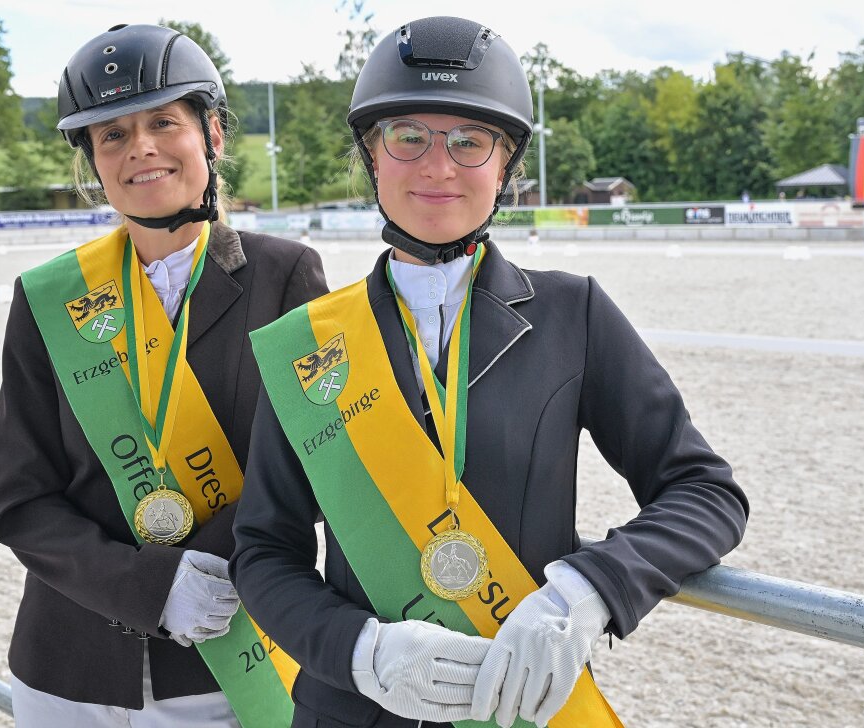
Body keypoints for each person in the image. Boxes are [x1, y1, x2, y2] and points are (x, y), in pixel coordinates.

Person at [230, 16, 748, 728]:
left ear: (504, 166)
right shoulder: (306, 345)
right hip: (352, 709)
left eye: (470, 142)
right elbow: (262, 551)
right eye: (408, 136)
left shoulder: (577, 315)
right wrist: (359, 651)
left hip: (523, 705)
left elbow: (703, 492)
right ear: (371, 155)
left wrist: (587, 591)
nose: (438, 166)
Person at [0, 23, 327, 727]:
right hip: (66, 672)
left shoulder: (285, 275)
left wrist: (204, 571)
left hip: (226, 664)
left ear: (213, 135)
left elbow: (314, 465)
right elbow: (20, 498)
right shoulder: (49, 297)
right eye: (111, 135)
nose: (139, 146)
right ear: (93, 160)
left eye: (163, 122)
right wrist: (149, 589)